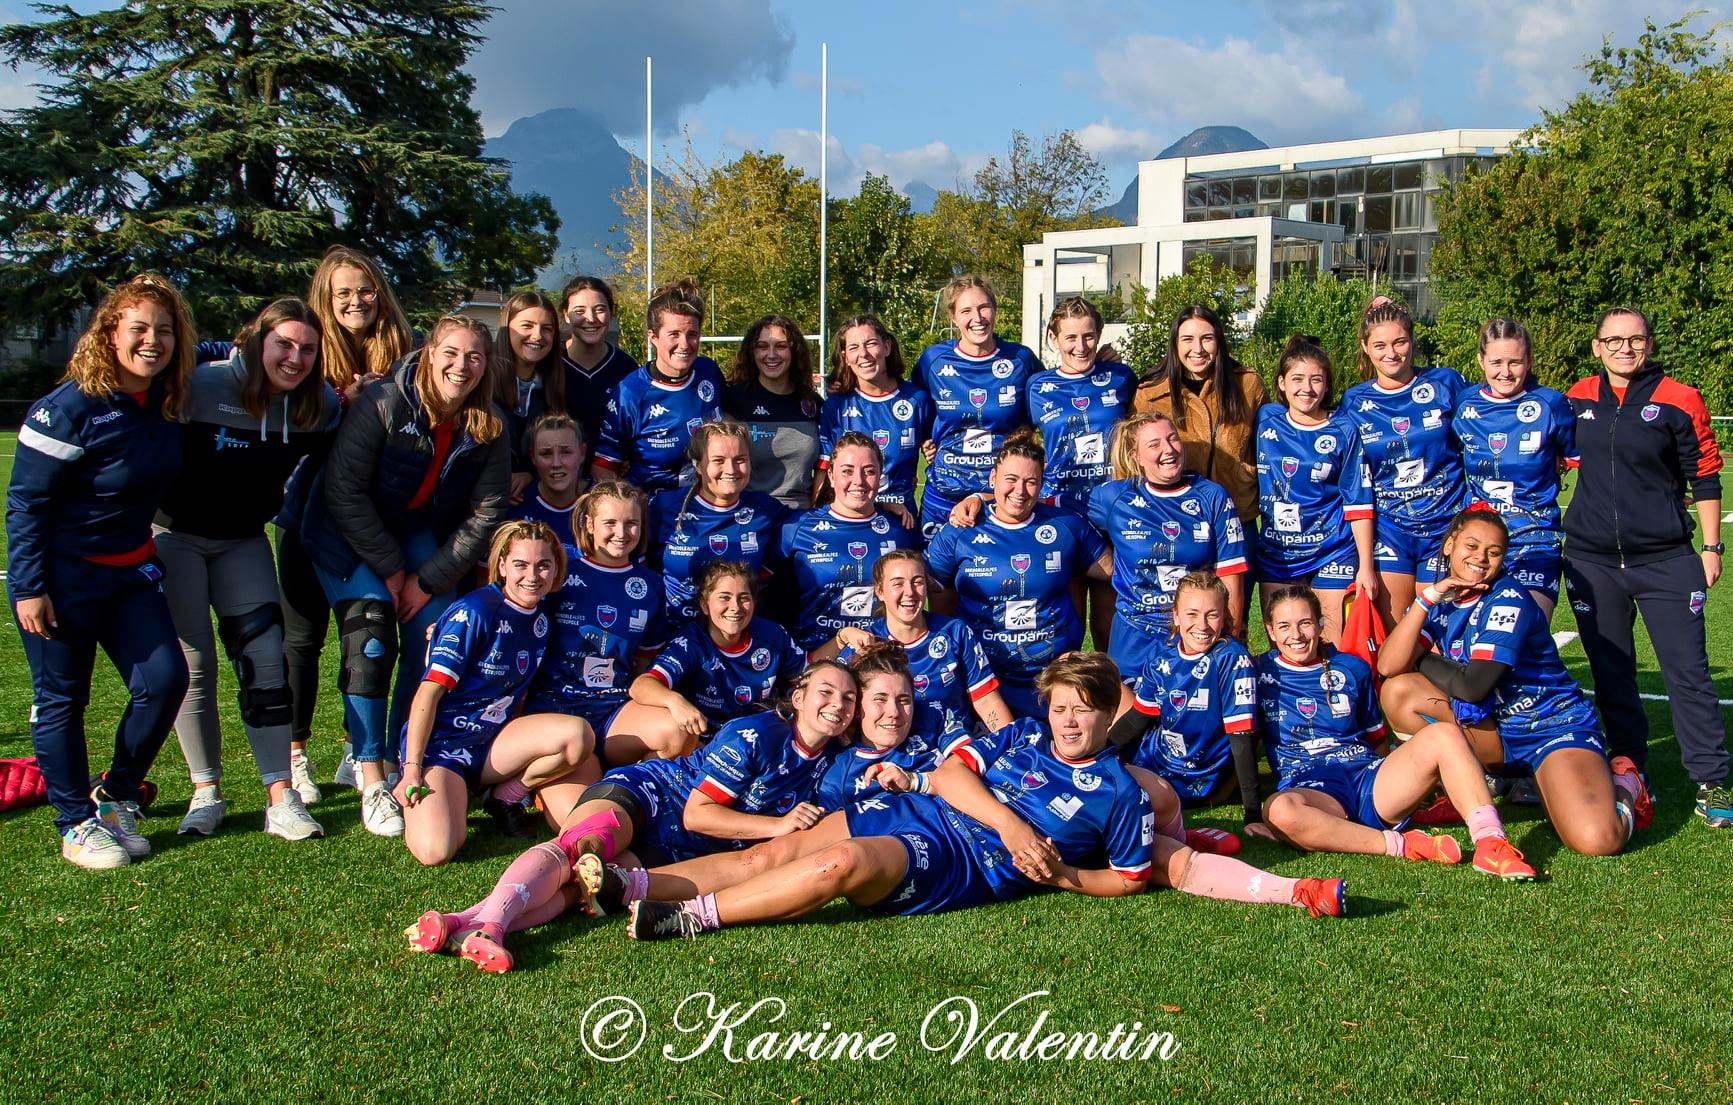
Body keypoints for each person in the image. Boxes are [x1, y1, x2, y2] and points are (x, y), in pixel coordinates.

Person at [616, 651, 1347, 939]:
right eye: (1057, 704)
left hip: (958, 859)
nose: (1065, 719)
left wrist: (1062, 874)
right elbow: (949, 774)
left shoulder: (1119, 794)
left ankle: (687, 918)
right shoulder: (1021, 737)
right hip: (933, 806)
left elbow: (1136, 874)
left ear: (1106, 714)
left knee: (837, 865)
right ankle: (633, 884)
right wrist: (1013, 822)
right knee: (773, 849)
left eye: (1080, 709)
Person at [405, 661, 857, 972]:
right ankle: (493, 927)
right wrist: (777, 827)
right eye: (826, 691)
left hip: (675, 846)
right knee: (579, 848)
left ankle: (459, 923)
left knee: (581, 888)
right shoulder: (755, 732)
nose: (838, 703)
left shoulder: (828, 761)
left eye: (849, 697)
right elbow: (699, 814)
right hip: (654, 793)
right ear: (798, 696)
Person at [8, 273, 195, 868]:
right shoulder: (67, 407)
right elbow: (26, 505)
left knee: (165, 679)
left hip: (131, 571)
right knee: (62, 698)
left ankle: (115, 795)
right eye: (138, 327)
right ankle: (74, 822)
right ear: (109, 332)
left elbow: (233, 351)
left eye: (164, 331)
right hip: (63, 580)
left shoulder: (165, 401)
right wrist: (30, 586)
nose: (152, 341)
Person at [297, 314, 510, 837]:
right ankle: (369, 773)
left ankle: (399, 759)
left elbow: (484, 515)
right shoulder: (384, 402)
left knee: (436, 630)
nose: (462, 367)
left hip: (415, 535)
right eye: (452, 353)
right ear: (430, 352)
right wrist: (392, 570)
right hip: (344, 529)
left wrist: (426, 580)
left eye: (475, 358)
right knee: (370, 631)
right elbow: (343, 492)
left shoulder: (490, 422)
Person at [155, 297, 339, 841]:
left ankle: (280, 796)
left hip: (243, 541)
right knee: (195, 667)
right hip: (176, 537)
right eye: (283, 343)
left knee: (264, 659)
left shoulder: (318, 404)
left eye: (308, 348)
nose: (295, 357)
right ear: (255, 341)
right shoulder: (200, 384)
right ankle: (205, 790)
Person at [1378, 507, 1650, 857]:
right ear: (1449, 545)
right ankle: (1463, 788)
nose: (1480, 558)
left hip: (1551, 727)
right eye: (1471, 546)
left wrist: (1420, 656)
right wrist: (1427, 598)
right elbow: (1388, 664)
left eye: (1493, 552)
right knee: (1399, 692)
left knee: (1597, 840)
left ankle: (1626, 783)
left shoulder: (1507, 600)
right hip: (1496, 730)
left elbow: (1474, 686)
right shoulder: (1445, 599)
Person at [1561, 307, 1732, 828]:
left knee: (1689, 673)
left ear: (1649, 344)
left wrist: (1712, 547)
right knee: (1613, 675)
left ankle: (1711, 779)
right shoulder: (1576, 397)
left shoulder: (1680, 399)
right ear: (1596, 347)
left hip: (1666, 559)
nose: (1624, 349)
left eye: (1634, 340)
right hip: (1591, 561)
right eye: (1613, 341)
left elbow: (1704, 475)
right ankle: (1631, 769)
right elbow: (1549, 462)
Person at [1251, 584, 1535, 878]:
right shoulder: (1256, 672)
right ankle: (1401, 844)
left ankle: (1491, 843)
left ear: (1321, 624)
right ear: (1270, 631)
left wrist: (1404, 784)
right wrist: (1252, 813)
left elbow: (1376, 740)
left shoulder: (1352, 668)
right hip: (1311, 789)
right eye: (1284, 626)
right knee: (1280, 811)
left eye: (1305, 623)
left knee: (1444, 735)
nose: (1296, 635)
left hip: (1367, 778)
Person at [281, 247, 416, 802]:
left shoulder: (403, 354)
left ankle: (355, 747)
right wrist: (343, 400)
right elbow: (291, 422)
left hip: (373, 523)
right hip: (305, 514)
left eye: (365, 290)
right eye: (343, 293)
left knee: (366, 634)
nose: (357, 301)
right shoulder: (307, 355)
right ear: (324, 299)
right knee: (301, 639)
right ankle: (292, 756)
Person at [395, 521, 596, 866]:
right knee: (436, 850)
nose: (532, 575)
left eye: (543, 565)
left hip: (492, 742)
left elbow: (593, 557)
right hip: (445, 745)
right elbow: (427, 694)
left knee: (577, 736)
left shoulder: (541, 614)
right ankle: (440, 789)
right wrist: (412, 768)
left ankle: (506, 795)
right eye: (520, 564)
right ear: (500, 565)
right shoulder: (473, 613)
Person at [927, 431, 1112, 717]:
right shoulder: (962, 527)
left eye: (1031, 482)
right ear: (992, 479)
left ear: (1041, 485)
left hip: (1053, 677)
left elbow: (1114, 569)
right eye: (1011, 479)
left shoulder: (1066, 525)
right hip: (984, 677)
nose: (1020, 490)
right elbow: (922, 583)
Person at [1340, 298, 1471, 627]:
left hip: (1445, 528)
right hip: (1391, 532)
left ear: (1412, 341)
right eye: (1380, 345)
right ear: (1365, 347)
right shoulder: (1354, 401)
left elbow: (1487, 420)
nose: (1391, 353)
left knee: (1441, 632)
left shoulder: (1445, 383)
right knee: (1398, 634)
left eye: (1399, 342)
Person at [1089, 412, 1247, 678]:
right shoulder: (1112, 497)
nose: (1168, 449)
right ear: (1136, 456)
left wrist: (1226, 640)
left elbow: (1231, 577)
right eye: (1154, 445)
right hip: (1134, 635)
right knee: (1129, 717)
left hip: (1195, 632)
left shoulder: (1212, 496)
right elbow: (1068, 524)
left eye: (1173, 439)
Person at [522, 481, 667, 756]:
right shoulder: (561, 568)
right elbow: (514, 603)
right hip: (557, 707)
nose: (621, 533)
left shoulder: (650, 585)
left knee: (675, 734)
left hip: (615, 710)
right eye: (610, 523)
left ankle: (629, 783)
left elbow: (646, 660)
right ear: (589, 524)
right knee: (575, 788)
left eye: (631, 523)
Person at [611, 561, 807, 762]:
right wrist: (675, 702)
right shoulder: (691, 642)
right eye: (724, 598)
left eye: (744, 598)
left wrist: (841, 639)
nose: (735, 607)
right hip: (699, 745)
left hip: (751, 742)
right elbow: (641, 685)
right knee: (670, 748)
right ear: (705, 605)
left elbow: (808, 676)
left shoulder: (772, 635)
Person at [1024, 295, 1135, 648]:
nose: (1080, 346)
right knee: (1067, 625)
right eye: (1070, 337)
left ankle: (1111, 696)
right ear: (1053, 339)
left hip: (1111, 509)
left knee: (1108, 626)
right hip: (1060, 510)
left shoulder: (1120, 378)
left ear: (1099, 336)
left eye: (1088, 336)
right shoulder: (1037, 386)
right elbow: (1016, 438)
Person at [1254, 334, 1377, 642]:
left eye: (1316, 379)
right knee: (1287, 645)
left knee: (1329, 643)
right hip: (1278, 554)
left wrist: (1366, 566)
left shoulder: (1344, 429)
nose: (1306, 389)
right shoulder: (1265, 419)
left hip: (1332, 550)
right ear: (1281, 383)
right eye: (1297, 379)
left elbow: (1358, 500)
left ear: (1327, 384)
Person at [1453, 318, 1574, 618]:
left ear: (1529, 361)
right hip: (1480, 543)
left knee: (1527, 633)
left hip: (1536, 539)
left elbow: (1584, 459)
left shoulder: (1552, 405)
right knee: (1473, 639)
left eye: (1515, 362)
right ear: (1481, 360)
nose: (1505, 372)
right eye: (1496, 362)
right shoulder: (1464, 404)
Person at [832, 549, 1013, 736]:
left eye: (917, 582)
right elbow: (837, 703)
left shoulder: (955, 632)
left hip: (952, 752)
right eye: (897, 584)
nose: (909, 592)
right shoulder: (865, 641)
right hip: (889, 754)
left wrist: (1011, 748)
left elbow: (986, 700)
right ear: (880, 592)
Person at [914, 275, 1041, 538]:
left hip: (1001, 496)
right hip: (944, 493)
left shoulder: (1020, 359)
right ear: (953, 316)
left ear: (994, 309)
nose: (978, 317)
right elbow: (910, 403)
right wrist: (927, 440)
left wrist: (1100, 365)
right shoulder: (933, 360)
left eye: (984, 307)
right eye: (966, 310)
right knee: (933, 575)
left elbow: (1056, 395)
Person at [1121, 572, 1258, 815]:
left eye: (1212, 615)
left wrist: (1252, 812)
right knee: (1101, 681)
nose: (1202, 625)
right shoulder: (1164, 657)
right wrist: (1097, 753)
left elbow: (1242, 738)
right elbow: (1137, 719)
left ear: (1224, 615)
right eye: (1192, 614)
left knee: (1124, 796)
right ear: (1176, 615)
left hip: (1196, 779)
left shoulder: (1232, 658)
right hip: (1156, 757)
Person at [778, 433, 923, 654]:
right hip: (818, 657)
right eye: (847, 471)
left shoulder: (901, 527)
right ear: (832, 477)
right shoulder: (797, 528)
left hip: (881, 658)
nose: (859, 481)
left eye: (869, 471)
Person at [1130, 305, 1267, 524]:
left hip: (1238, 515)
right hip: (1174, 518)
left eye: (1206, 338)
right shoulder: (1149, 393)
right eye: (1187, 339)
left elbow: (1267, 448)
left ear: (1219, 342)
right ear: (1175, 343)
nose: (1198, 348)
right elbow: (1132, 460)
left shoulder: (1248, 385)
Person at [590, 277, 723, 493]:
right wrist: (633, 509)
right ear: (653, 336)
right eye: (674, 334)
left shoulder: (709, 372)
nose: (684, 344)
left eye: (692, 335)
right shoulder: (629, 393)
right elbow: (603, 468)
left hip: (708, 508)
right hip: (654, 511)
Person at [646, 420, 785, 625]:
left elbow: (804, 530)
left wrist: (765, 571)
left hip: (736, 633)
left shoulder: (764, 509)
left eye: (740, 459)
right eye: (718, 460)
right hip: (674, 631)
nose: (731, 469)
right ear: (699, 465)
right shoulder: (664, 507)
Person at [815, 641, 975, 810]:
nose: (894, 712)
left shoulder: (932, 715)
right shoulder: (837, 777)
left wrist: (915, 781)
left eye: (903, 700)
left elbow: (978, 763)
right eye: (880, 699)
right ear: (856, 707)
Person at [815, 315, 932, 511]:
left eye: (870, 344)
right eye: (854, 348)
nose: (863, 354)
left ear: (886, 347)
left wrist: (931, 448)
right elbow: (823, 468)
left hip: (901, 519)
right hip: (851, 516)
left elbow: (937, 448)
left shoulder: (917, 399)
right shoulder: (835, 406)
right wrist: (814, 515)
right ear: (845, 357)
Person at [722, 313, 822, 509]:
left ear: (794, 351)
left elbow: (825, 468)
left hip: (800, 519)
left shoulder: (812, 404)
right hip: (749, 517)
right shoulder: (733, 400)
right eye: (762, 346)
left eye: (781, 346)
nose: (771, 354)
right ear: (752, 352)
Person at [491, 290, 565, 504]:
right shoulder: (483, 382)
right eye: (527, 326)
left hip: (532, 499)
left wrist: (530, 474)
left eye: (547, 329)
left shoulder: (554, 385)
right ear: (507, 329)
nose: (537, 335)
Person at [556, 276, 638, 469]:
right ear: (566, 315)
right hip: (559, 480)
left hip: (611, 483)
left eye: (600, 309)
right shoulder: (551, 365)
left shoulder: (626, 368)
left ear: (611, 313)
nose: (591, 319)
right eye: (579, 311)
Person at [505, 413, 585, 548]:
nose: (556, 463)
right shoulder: (513, 501)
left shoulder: (601, 505)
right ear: (533, 457)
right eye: (545, 454)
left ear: (582, 453)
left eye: (566, 452)